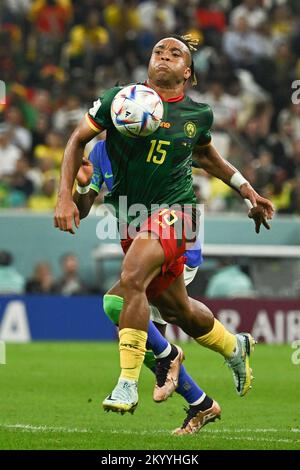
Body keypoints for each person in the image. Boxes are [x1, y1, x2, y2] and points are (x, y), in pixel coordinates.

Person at [54, 35, 274, 429]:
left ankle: (128, 380)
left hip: (179, 214)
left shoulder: (196, 114)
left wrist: (247, 190)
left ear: (187, 72)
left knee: (131, 277)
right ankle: (230, 347)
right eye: (159, 51)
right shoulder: (115, 105)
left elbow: (207, 156)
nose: (165, 57)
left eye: (176, 54)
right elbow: (76, 144)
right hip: (133, 222)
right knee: (179, 311)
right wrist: (71, 193)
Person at [74, 138, 219, 434]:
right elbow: (84, 207)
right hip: (143, 250)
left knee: (124, 309)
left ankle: (180, 367)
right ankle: (201, 398)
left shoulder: (163, 137)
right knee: (144, 334)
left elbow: (204, 161)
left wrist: (244, 188)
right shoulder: (101, 151)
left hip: (178, 241)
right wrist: (81, 186)